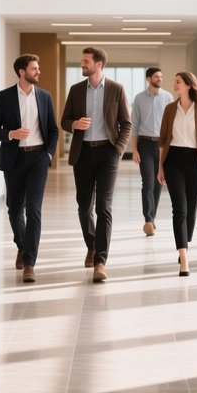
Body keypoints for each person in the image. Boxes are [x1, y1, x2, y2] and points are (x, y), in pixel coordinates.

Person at [61, 47, 132, 283]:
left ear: (98, 64)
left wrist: (118, 150)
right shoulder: (76, 90)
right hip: (82, 154)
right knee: (84, 206)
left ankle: (100, 261)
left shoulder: (116, 89)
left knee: (104, 206)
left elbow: (126, 124)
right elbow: (64, 120)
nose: (82, 64)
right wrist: (74, 125)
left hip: (107, 153)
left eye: (85, 61)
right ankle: (91, 244)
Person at [0, 54, 59, 283]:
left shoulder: (45, 97)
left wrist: (48, 154)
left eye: (38, 68)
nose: (38, 71)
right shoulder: (5, 96)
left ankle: (30, 263)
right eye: (34, 68)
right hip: (14, 158)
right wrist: (10, 134)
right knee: (14, 209)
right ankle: (22, 245)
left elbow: (53, 130)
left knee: (34, 209)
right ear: (21, 72)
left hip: (38, 158)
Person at [157, 72, 197, 276]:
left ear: (189, 85)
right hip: (173, 160)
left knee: (191, 210)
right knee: (179, 209)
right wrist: (160, 167)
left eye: (178, 82)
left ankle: (184, 242)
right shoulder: (170, 109)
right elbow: (163, 140)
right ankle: (184, 258)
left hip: (195, 161)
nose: (174, 85)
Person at [130, 67, 173, 236]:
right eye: (157, 76)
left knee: (158, 182)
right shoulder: (139, 98)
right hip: (145, 145)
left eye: (161, 76)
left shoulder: (168, 97)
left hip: (163, 145)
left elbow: (171, 125)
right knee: (147, 182)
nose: (160, 79)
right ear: (149, 78)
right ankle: (148, 219)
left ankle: (152, 218)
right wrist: (134, 150)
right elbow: (135, 126)